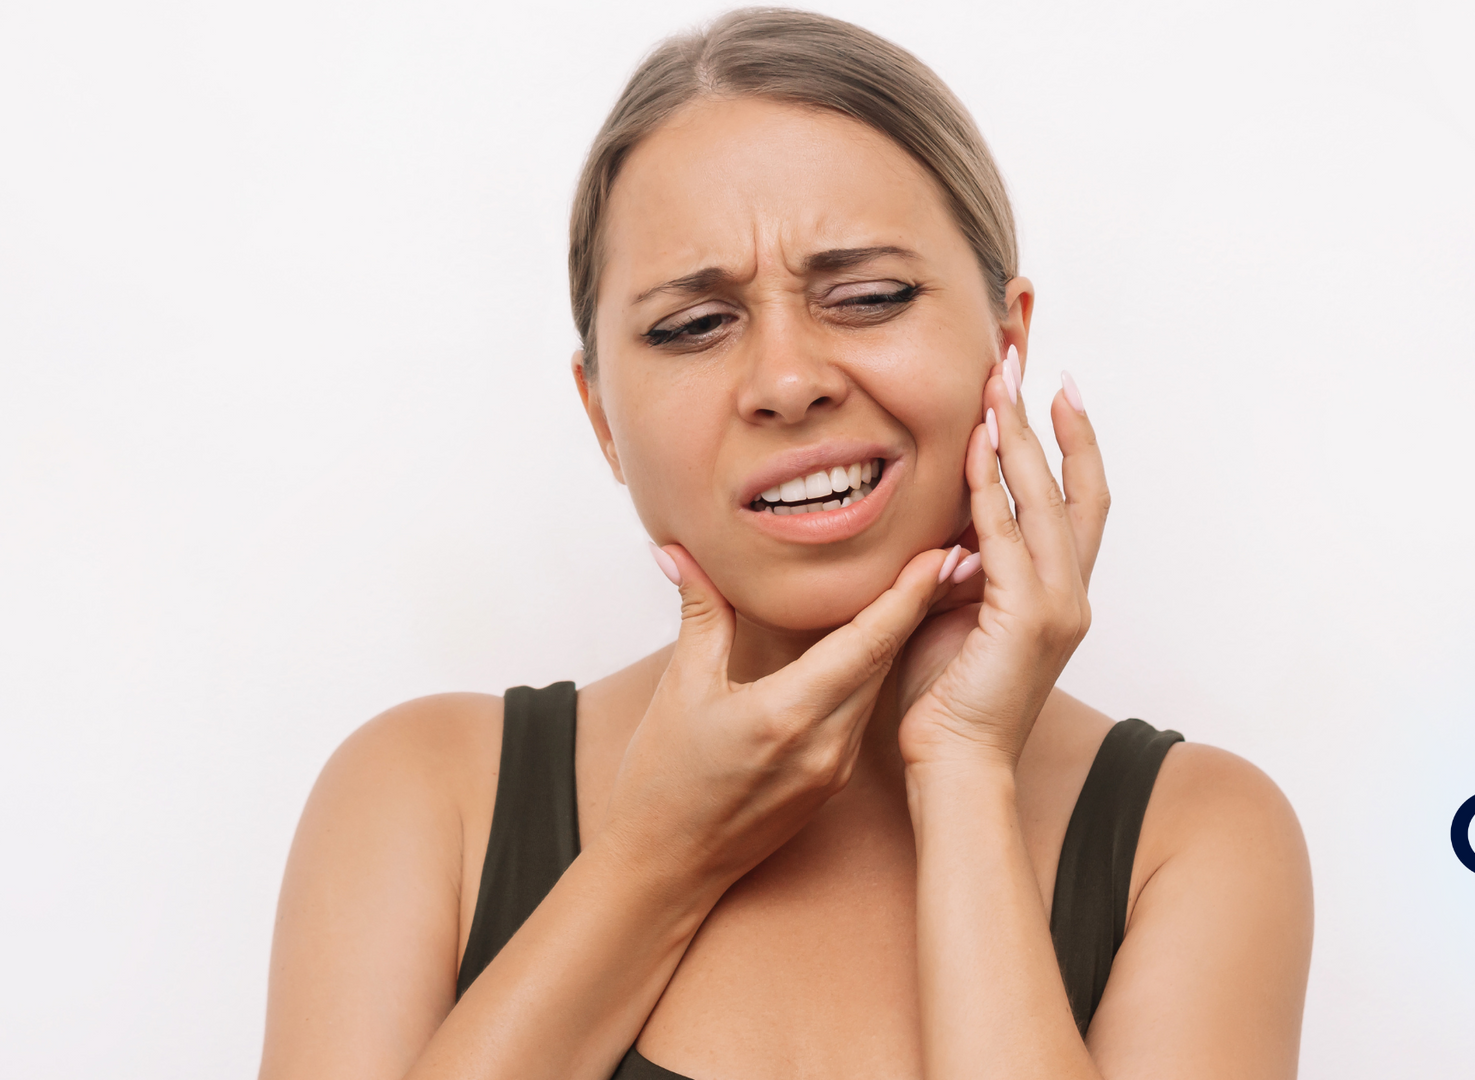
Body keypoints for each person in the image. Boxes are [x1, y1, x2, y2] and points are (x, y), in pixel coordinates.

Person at [258, 9, 1313, 1080]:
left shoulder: (1193, 841)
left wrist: (961, 770)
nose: (787, 380)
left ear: (1008, 341)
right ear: (602, 419)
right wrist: (656, 859)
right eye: (692, 326)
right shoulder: (422, 798)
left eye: (867, 298)